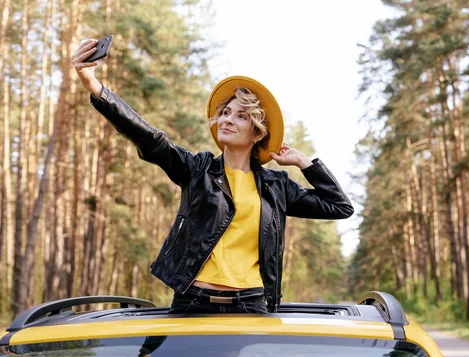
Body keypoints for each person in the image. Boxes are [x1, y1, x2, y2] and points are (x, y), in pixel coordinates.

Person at [72, 38, 354, 314]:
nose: (228, 119)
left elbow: (339, 207)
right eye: (226, 112)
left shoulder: (275, 186)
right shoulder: (197, 169)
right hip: (193, 301)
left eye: (242, 116)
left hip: (252, 304)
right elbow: (151, 139)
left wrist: (305, 163)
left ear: (258, 132)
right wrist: (95, 88)